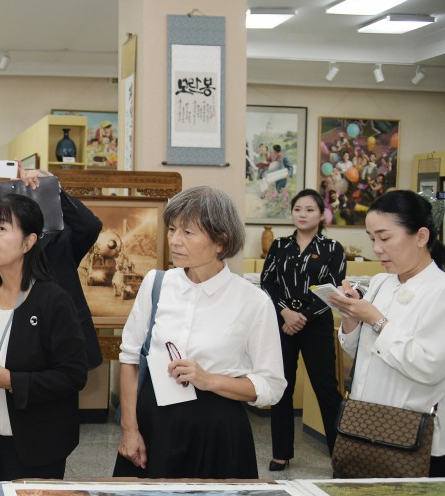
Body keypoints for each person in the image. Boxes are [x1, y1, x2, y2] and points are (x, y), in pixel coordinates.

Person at [114, 186, 286, 479]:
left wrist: (209, 380)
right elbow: (129, 358)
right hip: (154, 421)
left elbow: (271, 386)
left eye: (188, 233)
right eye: (172, 229)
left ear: (221, 241)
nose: (175, 241)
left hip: (218, 431)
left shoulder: (253, 301)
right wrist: (130, 430)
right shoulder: (157, 284)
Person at [0, 193, 87, 481]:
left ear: (28, 242)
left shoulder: (52, 300)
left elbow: (73, 375)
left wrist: (12, 381)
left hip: (34, 441)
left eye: (2, 228)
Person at [0, 155, 103, 370]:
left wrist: (52, 189)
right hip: (10, 349)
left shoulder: (66, 239)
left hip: (60, 345)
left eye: (39, 189)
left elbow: (90, 226)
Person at [329, 190, 445, 477]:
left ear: (421, 236)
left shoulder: (440, 291)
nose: (377, 249)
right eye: (371, 239)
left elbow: (429, 366)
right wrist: (352, 318)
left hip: (412, 436)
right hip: (364, 426)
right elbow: (361, 354)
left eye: (385, 237)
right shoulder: (381, 282)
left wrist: (376, 320)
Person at [261, 189, 347, 470]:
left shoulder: (333, 248)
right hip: (282, 323)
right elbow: (268, 283)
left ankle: (340, 455)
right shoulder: (280, 245)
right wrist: (286, 312)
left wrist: (302, 316)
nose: (302, 214)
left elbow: (332, 290)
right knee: (282, 386)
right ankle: (281, 452)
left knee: (326, 389)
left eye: (310, 209)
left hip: (316, 325)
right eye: (298, 209)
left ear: (321, 215)